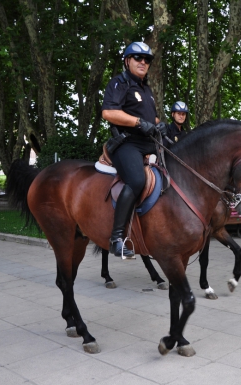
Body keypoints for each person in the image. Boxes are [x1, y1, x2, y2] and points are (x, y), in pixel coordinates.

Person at [101, 42, 164, 258]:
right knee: (137, 180)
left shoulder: (146, 89)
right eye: (138, 57)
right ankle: (116, 238)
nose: (143, 62)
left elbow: (149, 119)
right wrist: (139, 123)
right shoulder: (120, 83)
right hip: (127, 144)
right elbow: (109, 113)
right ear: (127, 61)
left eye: (147, 59)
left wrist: (158, 124)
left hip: (150, 143)